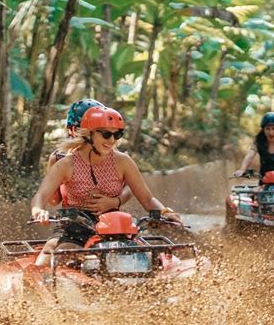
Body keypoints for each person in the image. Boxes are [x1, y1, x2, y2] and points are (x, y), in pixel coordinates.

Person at [31, 105, 181, 265]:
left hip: (115, 229)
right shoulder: (66, 164)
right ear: (88, 134)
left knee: (152, 262)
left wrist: (165, 212)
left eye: (117, 134)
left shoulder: (123, 161)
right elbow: (40, 196)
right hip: (73, 228)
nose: (112, 140)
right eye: (106, 134)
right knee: (46, 262)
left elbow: (148, 199)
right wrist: (38, 211)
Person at [48, 98, 132, 212]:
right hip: (74, 222)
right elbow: (53, 201)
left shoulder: (116, 158)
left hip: (110, 220)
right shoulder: (60, 159)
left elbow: (131, 187)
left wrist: (115, 201)